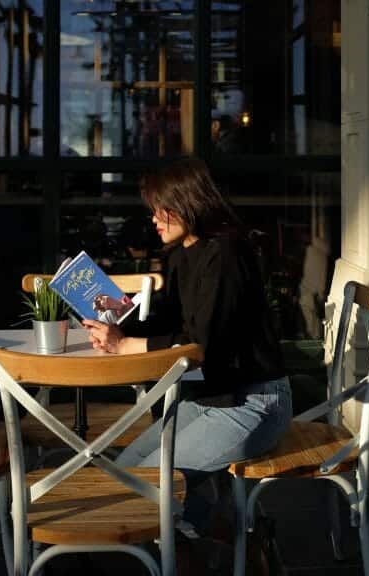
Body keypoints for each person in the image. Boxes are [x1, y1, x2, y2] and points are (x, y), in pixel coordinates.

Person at [82, 158, 292, 530]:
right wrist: (124, 314)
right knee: (123, 475)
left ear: (188, 204)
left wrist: (123, 346)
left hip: (252, 404)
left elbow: (200, 347)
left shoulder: (225, 256)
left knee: (140, 488)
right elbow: (171, 318)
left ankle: (221, 534)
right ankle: (213, 529)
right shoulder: (185, 253)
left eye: (161, 210)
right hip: (213, 398)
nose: (154, 219)